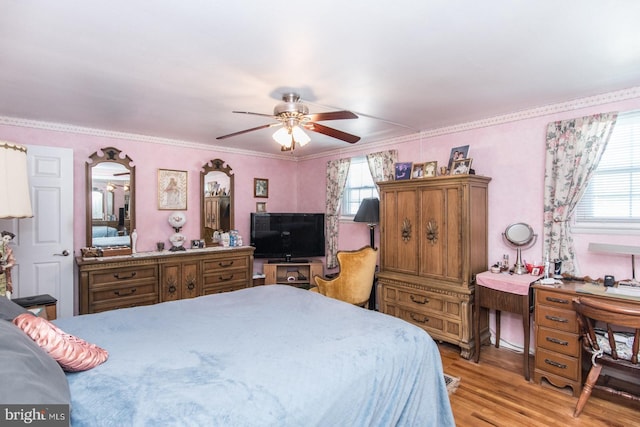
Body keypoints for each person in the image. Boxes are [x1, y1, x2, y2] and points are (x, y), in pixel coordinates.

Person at [0, 231, 16, 297]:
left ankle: (8, 302)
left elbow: (12, 261)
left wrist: (6, 266)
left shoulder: (9, 250)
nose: (7, 241)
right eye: (5, 238)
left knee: (7, 287)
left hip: (4, 270)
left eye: (9, 239)